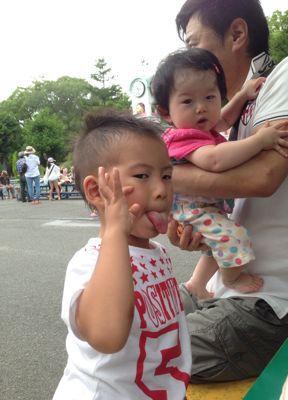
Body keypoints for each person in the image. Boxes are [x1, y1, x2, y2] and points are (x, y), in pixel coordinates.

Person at [166, 0, 288, 383]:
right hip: (230, 291)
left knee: (141, 356)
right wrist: (200, 235)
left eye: (195, 43)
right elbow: (234, 203)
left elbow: (264, 177)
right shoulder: (243, 107)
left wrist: (158, 176)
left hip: (275, 306)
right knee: (126, 327)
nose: (189, 57)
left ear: (237, 34)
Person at [53, 111, 191, 399]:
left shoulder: (158, 253)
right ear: (96, 191)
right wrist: (116, 229)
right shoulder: (89, 262)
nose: (162, 190)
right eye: (142, 176)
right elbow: (107, 335)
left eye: (166, 176)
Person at [152, 47, 288, 298]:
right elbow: (214, 161)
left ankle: (199, 284)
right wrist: (260, 141)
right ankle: (233, 278)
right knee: (233, 236)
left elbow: (223, 120)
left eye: (210, 97)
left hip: (203, 206)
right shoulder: (182, 137)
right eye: (188, 101)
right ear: (166, 112)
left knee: (216, 244)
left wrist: (241, 96)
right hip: (193, 210)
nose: (201, 108)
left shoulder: (200, 128)